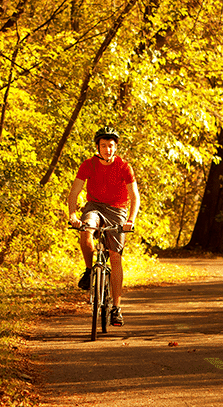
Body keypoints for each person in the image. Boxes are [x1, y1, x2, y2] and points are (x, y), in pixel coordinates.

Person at [67, 126, 140, 327]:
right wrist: (73, 215)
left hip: (117, 210)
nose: (107, 149)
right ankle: (90, 270)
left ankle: (116, 308)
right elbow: (74, 192)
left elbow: (134, 197)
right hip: (94, 206)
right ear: (97, 147)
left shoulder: (124, 167)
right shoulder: (89, 164)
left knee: (115, 256)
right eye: (103, 145)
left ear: (116, 147)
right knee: (86, 231)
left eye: (111, 145)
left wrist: (130, 220)